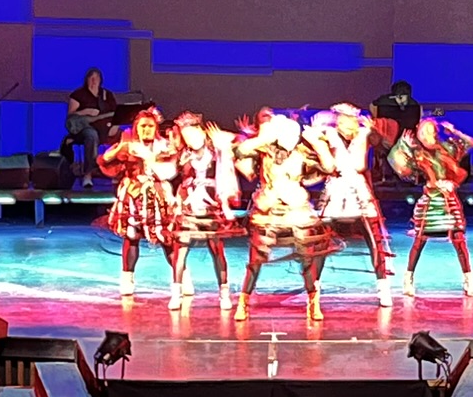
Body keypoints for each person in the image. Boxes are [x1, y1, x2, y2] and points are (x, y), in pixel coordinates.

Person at [231, 111, 339, 324]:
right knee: (256, 259)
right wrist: (264, 137)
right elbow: (242, 150)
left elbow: (329, 167)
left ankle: (313, 301)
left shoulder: (300, 153)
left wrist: (318, 144)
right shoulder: (265, 152)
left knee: (306, 257)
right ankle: (243, 301)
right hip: (269, 210)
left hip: (296, 210)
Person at [388, 116, 473, 298]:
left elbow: (472, 144)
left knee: (459, 240)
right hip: (431, 200)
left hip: (448, 200)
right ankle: (408, 279)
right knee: (420, 240)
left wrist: (454, 131)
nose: (427, 135)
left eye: (431, 131)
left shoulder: (448, 149)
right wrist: (403, 145)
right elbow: (401, 168)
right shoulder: (418, 154)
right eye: (423, 132)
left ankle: (469, 280)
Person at [310, 103, 392, 307]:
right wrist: (314, 131)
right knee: (321, 241)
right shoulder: (328, 133)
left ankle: (383, 287)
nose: (342, 122)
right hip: (336, 190)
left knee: (374, 241)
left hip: (358, 190)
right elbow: (312, 146)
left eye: (347, 119)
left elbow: (384, 143)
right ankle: (313, 289)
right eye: (340, 118)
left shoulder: (364, 133)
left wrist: (375, 130)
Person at [97, 108, 179, 302]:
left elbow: (171, 171)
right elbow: (104, 160)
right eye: (142, 126)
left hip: (158, 197)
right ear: (136, 128)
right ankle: (127, 279)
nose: (147, 130)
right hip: (133, 196)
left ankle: (181, 279)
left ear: (156, 128)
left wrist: (152, 160)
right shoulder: (129, 146)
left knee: (166, 238)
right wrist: (119, 148)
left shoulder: (165, 147)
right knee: (131, 237)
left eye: (150, 126)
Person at [168, 112, 238, 311]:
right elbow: (177, 179)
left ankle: (224, 292)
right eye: (186, 136)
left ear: (201, 131)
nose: (190, 139)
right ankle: (176, 292)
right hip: (189, 205)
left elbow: (227, 171)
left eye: (193, 134)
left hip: (210, 206)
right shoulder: (183, 155)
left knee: (216, 249)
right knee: (180, 249)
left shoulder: (216, 151)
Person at [65, 67, 119, 188]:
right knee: (91, 135)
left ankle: (117, 172)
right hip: (84, 129)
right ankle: (88, 174)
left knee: (125, 136)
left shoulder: (107, 95)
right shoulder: (78, 94)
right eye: (91, 78)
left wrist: (115, 125)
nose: (94, 81)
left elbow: (116, 113)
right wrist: (85, 111)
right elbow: (70, 115)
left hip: (105, 128)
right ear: (87, 79)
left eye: (97, 78)